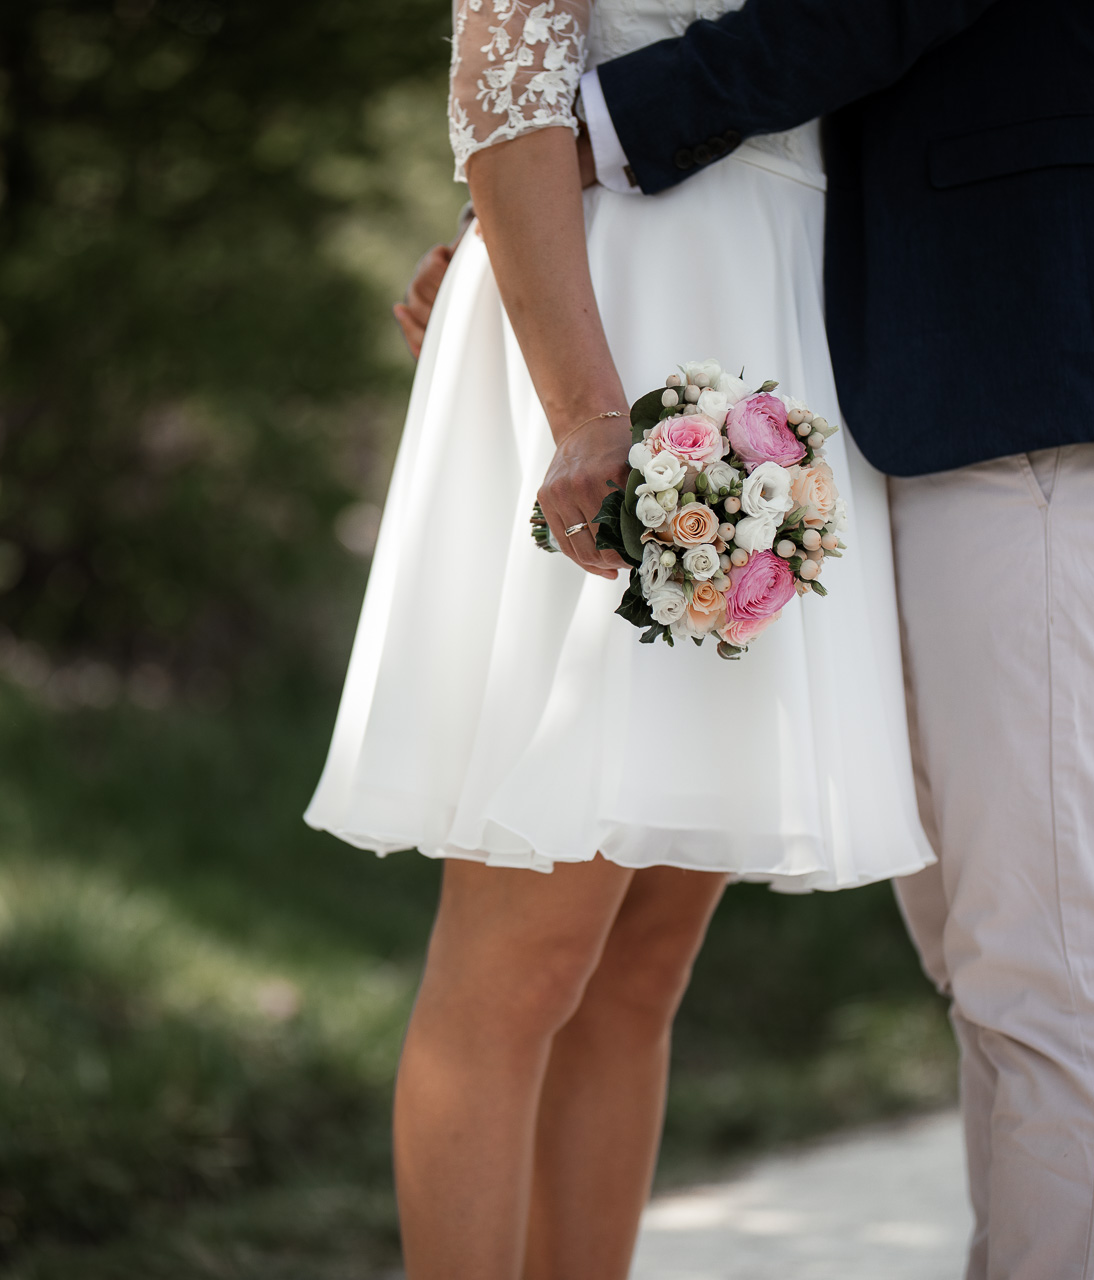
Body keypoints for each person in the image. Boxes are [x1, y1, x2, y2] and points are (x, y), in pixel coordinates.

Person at [397, 2, 1094, 1278]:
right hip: (683, 335)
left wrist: (570, 160)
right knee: (536, 950)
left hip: (857, 350)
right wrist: (534, 258)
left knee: (680, 961)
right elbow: (512, 83)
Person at [306, 2, 938, 1275]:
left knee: (641, 969)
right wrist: (588, 408)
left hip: (778, 330)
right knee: (520, 964)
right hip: (614, 332)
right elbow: (506, 86)